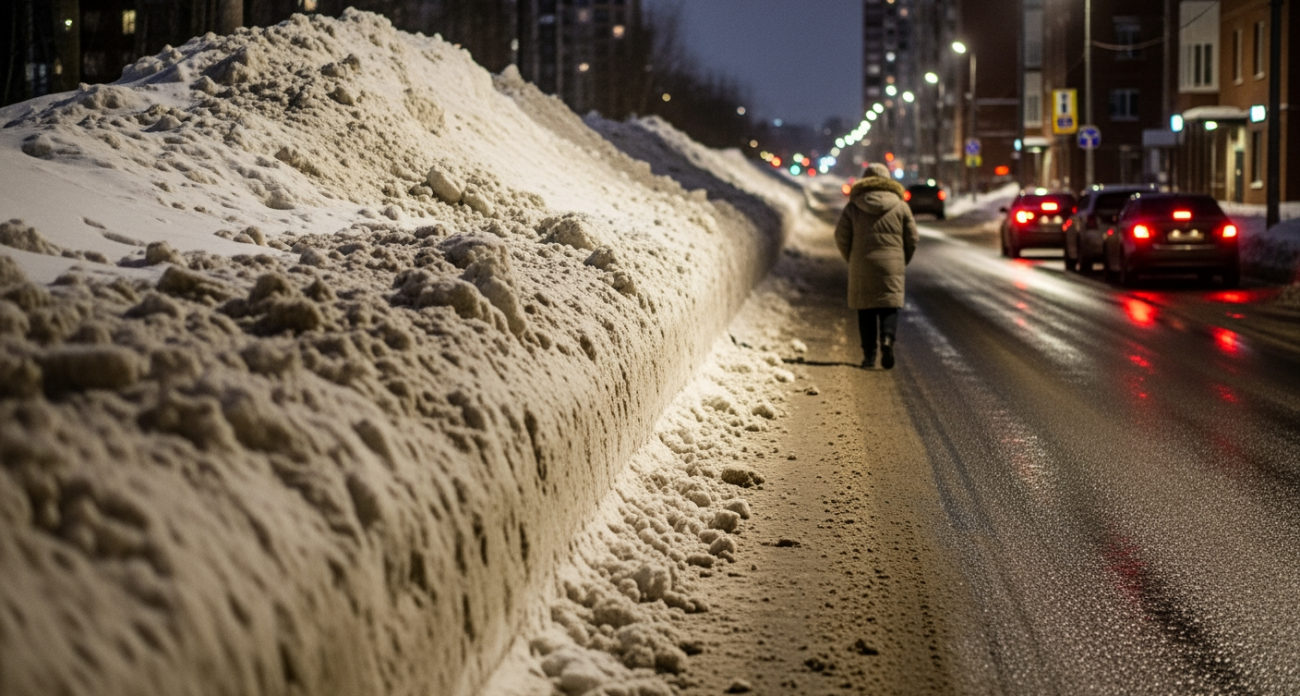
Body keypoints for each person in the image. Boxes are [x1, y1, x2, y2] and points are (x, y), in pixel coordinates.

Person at [834, 163, 919, 370]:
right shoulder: (900, 205)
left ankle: (869, 356)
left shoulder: (854, 205)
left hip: (862, 263)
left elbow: (841, 236)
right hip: (892, 264)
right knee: (889, 306)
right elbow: (913, 237)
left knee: (866, 310)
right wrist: (902, 259)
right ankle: (887, 341)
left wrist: (851, 257)